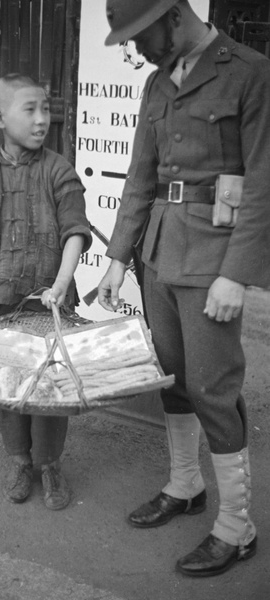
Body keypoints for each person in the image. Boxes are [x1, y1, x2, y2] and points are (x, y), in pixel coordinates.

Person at [99, 0, 270, 577]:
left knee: (213, 388)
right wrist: (118, 258)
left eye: (138, 35)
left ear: (173, 16)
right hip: (160, 256)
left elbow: (264, 181)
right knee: (171, 377)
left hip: (213, 263)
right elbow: (139, 177)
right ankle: (185, 484)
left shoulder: (248, 71)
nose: (134, 48)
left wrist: (236, 273)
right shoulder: (155, 84)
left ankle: (236, 527)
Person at [0, 73, 92, 511]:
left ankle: (51, 465)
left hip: (50, 305)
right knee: (8, 385)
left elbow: (76, 232)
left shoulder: (59, 171)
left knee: (51, 386)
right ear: (0, 117)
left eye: (46, 109)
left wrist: (60, 285)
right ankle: (19, 462)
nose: (42, 120)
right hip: (1, 304)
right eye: (29, 110)